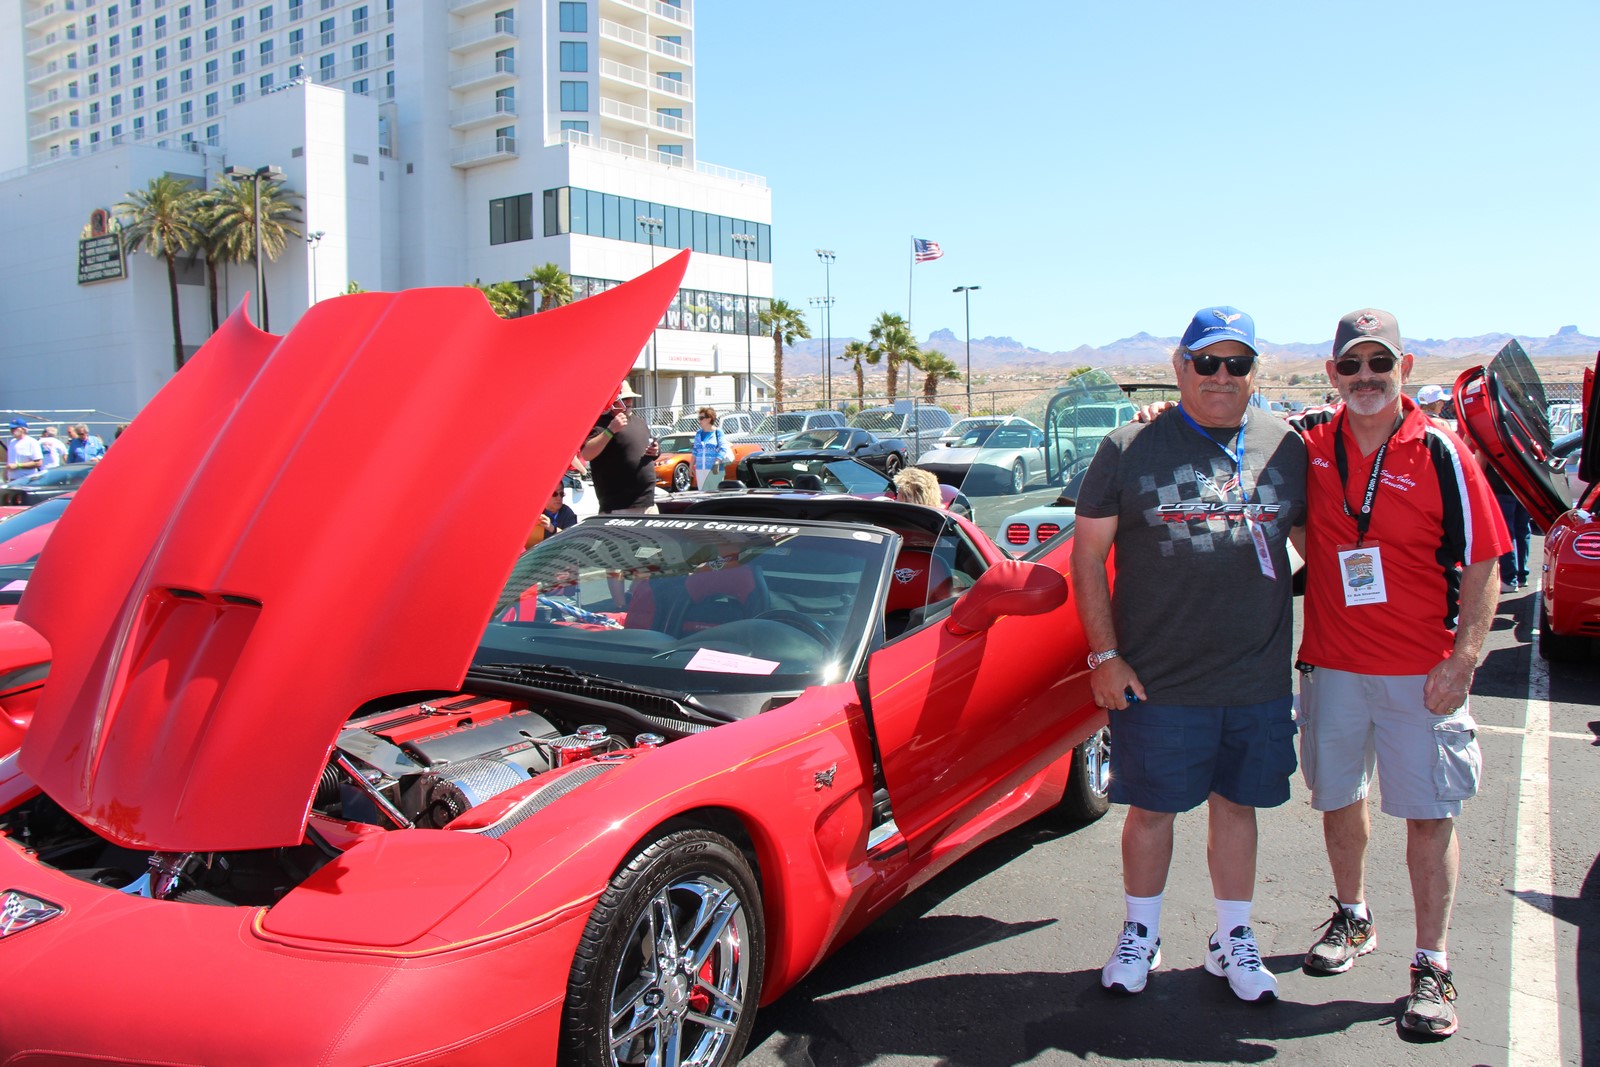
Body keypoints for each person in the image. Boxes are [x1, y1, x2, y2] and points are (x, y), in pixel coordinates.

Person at [1071, 306, 1307, 1004]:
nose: (1221, 375)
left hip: (1256, 676)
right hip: (1158, 678)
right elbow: (1087, 557)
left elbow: (1324, 546)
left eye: (1237, 363)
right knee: (1150, 812)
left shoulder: (1287, 446)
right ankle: (1140, 933)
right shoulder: (1128, 446)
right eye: (1206, 361)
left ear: (1255, 371)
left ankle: (1232, 937)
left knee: (1238, 807)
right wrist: (1104, 656)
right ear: (1179, 366)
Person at [1292, 308, 1508, 1040]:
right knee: (1338, 797)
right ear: (1332, 373)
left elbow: (1486, 561)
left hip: (1422, 673)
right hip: (1332, 664)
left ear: (1403, 367)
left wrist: (1464, 659)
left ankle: (1431, 963)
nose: (1366, 377)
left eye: (1379, 362)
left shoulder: (1442, 450)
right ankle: (1352, 916)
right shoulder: (1308, 441)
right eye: (1351, 365)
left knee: (1428, 812)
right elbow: (1232, 442)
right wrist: (1162, 415)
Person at [579, 381, 660, 515]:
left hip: (648, 502)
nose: (628, 402)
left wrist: (655, 450)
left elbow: (648, 446)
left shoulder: (639, 422)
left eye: (630, 398)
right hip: (619, 505)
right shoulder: (600, 424)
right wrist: (610, 430)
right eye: (624, 399)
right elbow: (587, 454)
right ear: (612, 401)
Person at [525, 482, 580, 548]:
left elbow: (571, 539)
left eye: (561, 494)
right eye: (554, 494)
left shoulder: (567, 513)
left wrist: (552, 528)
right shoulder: (534, 512)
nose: (559, 498)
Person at [691, 407, 733, 489]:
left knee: (714, 493)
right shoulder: (698, 433)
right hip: (700, 469)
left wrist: (717, 462)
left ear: (709, 419)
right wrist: (691, 466)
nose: (699, 420)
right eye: (699, 418)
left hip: (714, 469)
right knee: (702, 493)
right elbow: (695, 450)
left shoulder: (718, 432)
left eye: (701, 418)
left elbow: (723, 449)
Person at [5, 419, 43, 484]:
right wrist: (6, 472)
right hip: (13, 480)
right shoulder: (12, 442)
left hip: (27, 481)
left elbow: (38, 463)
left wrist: (18, 465)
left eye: (14, 428)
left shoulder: (31, 442)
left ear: (23, 429)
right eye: (11, 428)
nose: (11, 430)